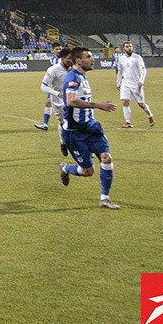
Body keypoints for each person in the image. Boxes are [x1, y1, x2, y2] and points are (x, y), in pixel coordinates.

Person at [59, 47, 120, 209]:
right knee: (88, 171)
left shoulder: (83, 76)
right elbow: (71, 101)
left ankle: (104, 199)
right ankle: (65, 168)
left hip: (92, 128)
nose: (93, 59)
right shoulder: (72, 78)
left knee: (107, 158)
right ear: (79, 60)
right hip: (75, 133)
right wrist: (98, 105)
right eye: (89, 57)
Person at [38, 46, 71, 156]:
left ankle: (87, 148)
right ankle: (63, 143)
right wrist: (58, 94)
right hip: (58, 102)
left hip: (73, 100)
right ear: (63, 58)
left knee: (80, 122)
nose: (71, 61)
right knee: (63, 123)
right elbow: (43, 87)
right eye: (69, 59)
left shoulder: (75, 68)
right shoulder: (53, 70)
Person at [113, 41, 154, 128]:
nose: (129, 48)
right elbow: (120, 71)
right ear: (124, 48)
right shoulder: (121, 59)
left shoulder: (137, 58)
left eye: (130, 46)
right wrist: (118, 83)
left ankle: (150, 115)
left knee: (141, 104)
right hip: (125, 83)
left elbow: (143, 70)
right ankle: (128, 122)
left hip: (136, 84)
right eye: (127, 47)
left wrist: (141, 81)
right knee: (125, 101)